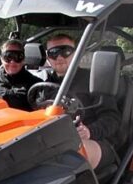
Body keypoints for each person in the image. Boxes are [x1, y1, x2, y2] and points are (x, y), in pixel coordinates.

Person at [45, 34, 122, 169]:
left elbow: (112, 119)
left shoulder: (93, 81)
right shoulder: (44, 85)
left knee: (69, 154)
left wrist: (89, 131)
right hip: (55, 140)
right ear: (47, 58)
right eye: (53, 53)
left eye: (65, 51)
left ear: (75, 54)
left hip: (95, 140)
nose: (59, 57)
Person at [0, 39, 41, 111]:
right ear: (1, 59)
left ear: (23, 59)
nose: (12, 62)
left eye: (18, 57)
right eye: (8, 57)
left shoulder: (36, 85)